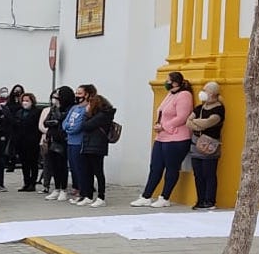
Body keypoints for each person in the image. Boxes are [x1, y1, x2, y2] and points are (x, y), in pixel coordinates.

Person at [131, 72, 196, 207]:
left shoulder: (184, 95)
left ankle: (165, 197)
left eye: (168, 80)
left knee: (171, 168)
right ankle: (146, 196)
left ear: (176, 82)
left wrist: (165, 126)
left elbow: (182, 117)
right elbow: (162, 112)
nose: (166, 83)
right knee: (155, 167)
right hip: (162, 137)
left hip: (177, 137)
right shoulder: (171, 94)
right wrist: (158, 125)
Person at [185, 81, 225, 210]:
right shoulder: (199, 107)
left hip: (210, 146)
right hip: (195, 145)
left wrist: (195, 122)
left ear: (212, 93)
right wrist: (196, 122)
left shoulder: (219, 109)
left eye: (205, 90)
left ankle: (210, 201)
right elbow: (188, 122)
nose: (202, 92)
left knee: (209, 174)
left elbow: (208, 123)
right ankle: (200, 200)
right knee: (198, 174)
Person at [76, 85, 115, 207]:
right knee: (88, 172)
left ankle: (101, 196)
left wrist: (86, 114)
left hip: (97, 147)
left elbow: (86, 126)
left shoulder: (103, 115)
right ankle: (88, 196)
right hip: (89, 145)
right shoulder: (97, 115)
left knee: (98, 172)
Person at [41, 87, 76, 201]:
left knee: (62, 166)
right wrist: (54, 122)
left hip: (62, 139)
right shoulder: (53, 108)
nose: (55, 99)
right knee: (54, 165)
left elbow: (62, 120)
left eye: (57, 96)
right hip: (52, 138)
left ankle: (63, 189)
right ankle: (56, 188)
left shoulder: (70, 109)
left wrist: (56, 122)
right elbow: (46, 122)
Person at [62, 85, 91, 204]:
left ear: (87, 95)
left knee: (80, 168)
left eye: (80, 93)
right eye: (76, 93)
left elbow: (79, 125)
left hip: (79, 142)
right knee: (73, 168)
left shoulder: (87, 109)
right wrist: (68, 128)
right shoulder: (74, 108)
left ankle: (84, 192)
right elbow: (65, 123)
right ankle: (78, 189)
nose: (78, 96)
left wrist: (70, 128)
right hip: (70, 141)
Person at [12, 92, 43, 191]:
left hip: (33, 141)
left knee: (33, 163)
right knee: (24, 164)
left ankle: (32, 183)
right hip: (21, 141)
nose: (25, 103)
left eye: (27, 101)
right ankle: (26, 182)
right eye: (23, 101)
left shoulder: (37, 112)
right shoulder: (19, 112)